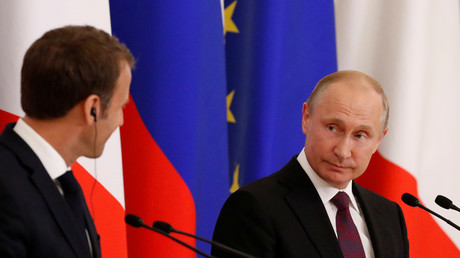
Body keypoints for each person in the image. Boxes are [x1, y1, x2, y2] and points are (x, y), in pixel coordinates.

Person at [212, 70, 409, 258]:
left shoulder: (389, 216)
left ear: (379, 140)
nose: (343, 151)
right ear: (306, 118)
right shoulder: (254, 207)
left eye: (360, 135)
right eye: (333, 128)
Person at [0, 25, 135, 257]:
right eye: (120, 107)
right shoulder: (6, 183)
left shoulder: (61, 181)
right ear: (92, 108)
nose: (121, 121)